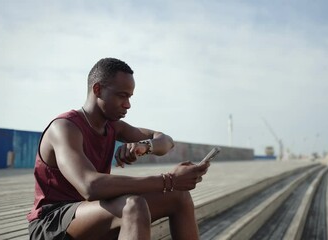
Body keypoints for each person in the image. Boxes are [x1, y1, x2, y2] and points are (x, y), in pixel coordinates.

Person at [27, 57, 211, 240]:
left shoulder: (114, 127)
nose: (128, 104)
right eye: (121, 96)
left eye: (129, 97)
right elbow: (90, 186)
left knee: (179, 197)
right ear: (97, 89)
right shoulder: (64, 128)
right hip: (52, 223)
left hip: (94, 211)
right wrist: (168, 180)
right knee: (132, 206)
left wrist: (144, 147)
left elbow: (166, 141)